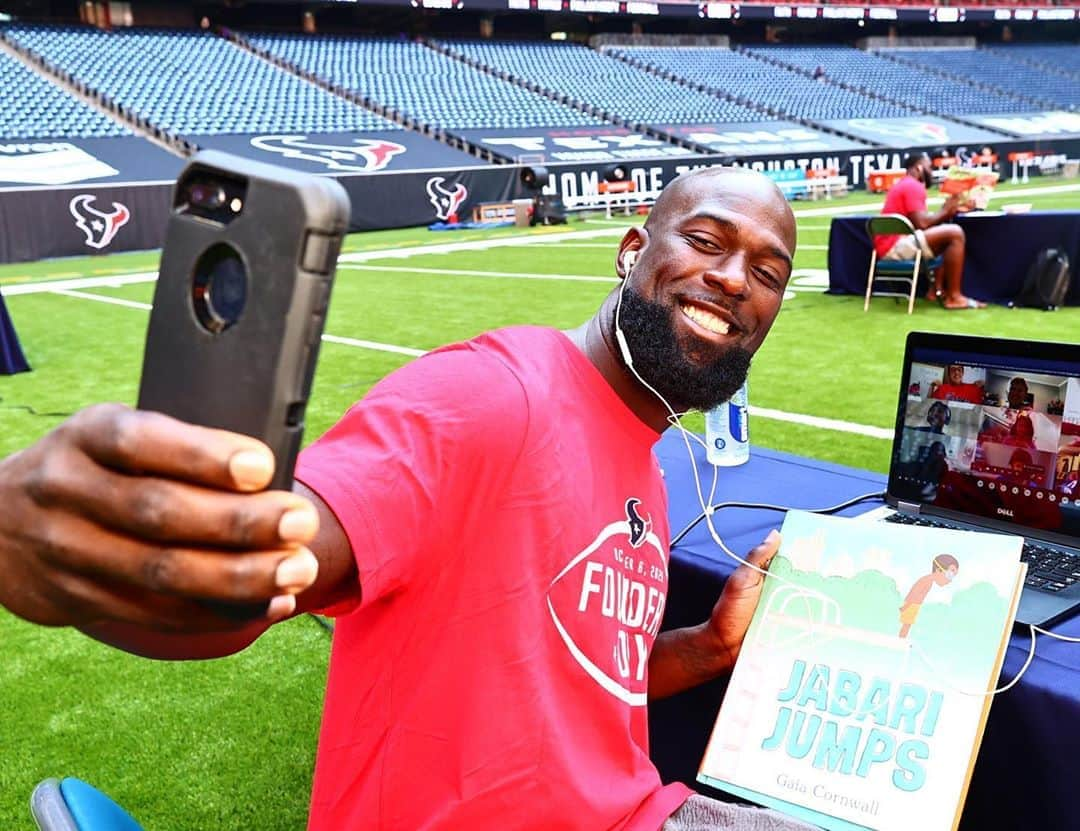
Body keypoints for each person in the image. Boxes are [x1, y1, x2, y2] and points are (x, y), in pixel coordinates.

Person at [0, 168, 814, 830]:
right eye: (705, 241)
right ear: (633, 249)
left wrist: (707, 645)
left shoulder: (644, 459)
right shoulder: (490, 395)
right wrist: (85, 543)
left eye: (768, 272)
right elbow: (260, 565)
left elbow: (590, 681)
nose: (734, 278)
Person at [874, 152, 985, 311]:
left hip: (887, 246)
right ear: (919, 168)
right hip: (895, 245)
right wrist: (946, 211)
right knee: (955, 233)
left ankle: (935, 291)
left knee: (943, 234)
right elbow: (923, 224)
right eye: (929, 167)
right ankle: (954, 297)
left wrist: (948, 210)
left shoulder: (904, 184)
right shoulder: (913, 186)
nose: (931, 172)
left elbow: (923, 224)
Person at [898, 554, 959, 638]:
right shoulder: (927, 581)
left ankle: (902, 639)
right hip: (911, 605)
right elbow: (914, 594)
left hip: (914, 606)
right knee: (906, 625)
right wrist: (906, 606)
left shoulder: (929, 581)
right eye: (950, 575)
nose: (950, 580)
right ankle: (901, 639)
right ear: (938, 570)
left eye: (953, 576)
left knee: (907, 625)